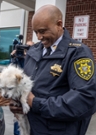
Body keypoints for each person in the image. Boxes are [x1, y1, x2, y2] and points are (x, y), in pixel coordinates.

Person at [10, 5, 96, 135]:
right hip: (30, 128)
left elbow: (84, 99)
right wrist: (19, 103)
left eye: (43, 31)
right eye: (35, 32)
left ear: (59, 24)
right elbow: (26, 86)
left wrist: (35, 103)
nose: (39, 37)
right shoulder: (34, 51)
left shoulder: (78, 53)